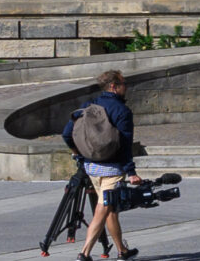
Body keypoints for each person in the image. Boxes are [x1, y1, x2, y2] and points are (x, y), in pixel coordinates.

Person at [60, 69, 142, 260]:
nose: (126, 87)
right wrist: (131, 172)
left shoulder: (89, 106)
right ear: (113, 86)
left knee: (111, 209)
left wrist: (79, 156)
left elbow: (66, 134)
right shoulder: (122, 111)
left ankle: (122, 251)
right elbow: (125, 145)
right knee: (103, 208)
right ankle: (85, 253)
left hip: (91, 168)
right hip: (112, 169)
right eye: (123, 84)